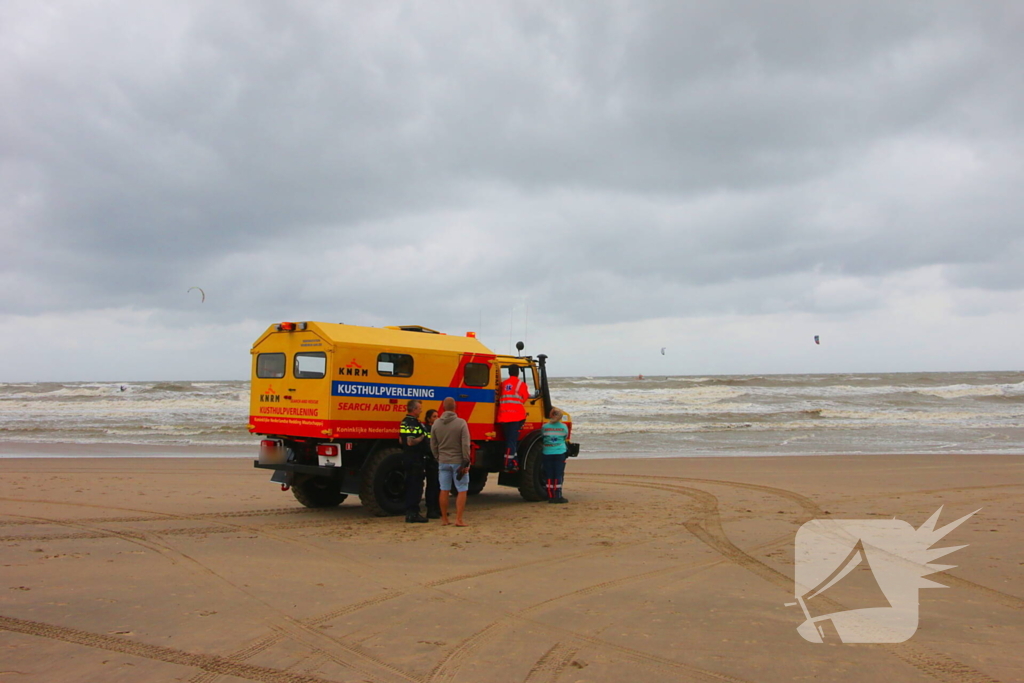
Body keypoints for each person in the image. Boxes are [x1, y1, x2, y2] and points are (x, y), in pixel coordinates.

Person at [431, 397, 470, 526]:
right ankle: (458, 519)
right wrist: (466, 461)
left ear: (443, 408)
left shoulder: (436, 424)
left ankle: (444, 519)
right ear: (455, 407)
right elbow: (465, 444)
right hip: (458, 460)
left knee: (444, 489)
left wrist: (438, 457)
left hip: (443, 460)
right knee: (462, 489)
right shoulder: (461, 423)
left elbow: (433, 444)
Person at [399, 399, 429, 523]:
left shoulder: (404, 422)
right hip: (414, 458)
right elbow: (410, 442)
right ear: (414, 409)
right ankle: (413, 514)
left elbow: (401, 440)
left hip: (408, 457)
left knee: (411, 485)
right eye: (419, 408)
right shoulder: (412, 423)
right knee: (415, 487)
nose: (421, 410)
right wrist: (423, 437)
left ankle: (411, 512)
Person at [497, 366, 529, 472]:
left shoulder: (503, 384)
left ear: (509, 372)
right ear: (518, 373)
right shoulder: (521, 384)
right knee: (512, 442)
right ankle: (508, 463)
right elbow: (524, 398)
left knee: (510, 441)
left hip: (503, 416)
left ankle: (514, 461)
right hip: (516, 416)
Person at [541, 407, 570, 504]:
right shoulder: (564, 427)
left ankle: (550, 496)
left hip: (547, 452)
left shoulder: (545, 427)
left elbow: (542, 436)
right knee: (558, 475)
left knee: (549, 475)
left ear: (550, 415)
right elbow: (565, 437)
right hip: (560, 452)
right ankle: (558, 496)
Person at [422, 409, 441, 518]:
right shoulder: (427, 430)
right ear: (428, 419)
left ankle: (438, 508)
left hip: (438, 460)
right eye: (434, 416)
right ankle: (431, 509)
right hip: (431, 461)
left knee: (439, 486)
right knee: (432, 486)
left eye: (437, 416)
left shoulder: (437, 429)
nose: (436, 418)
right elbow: (428, 445)